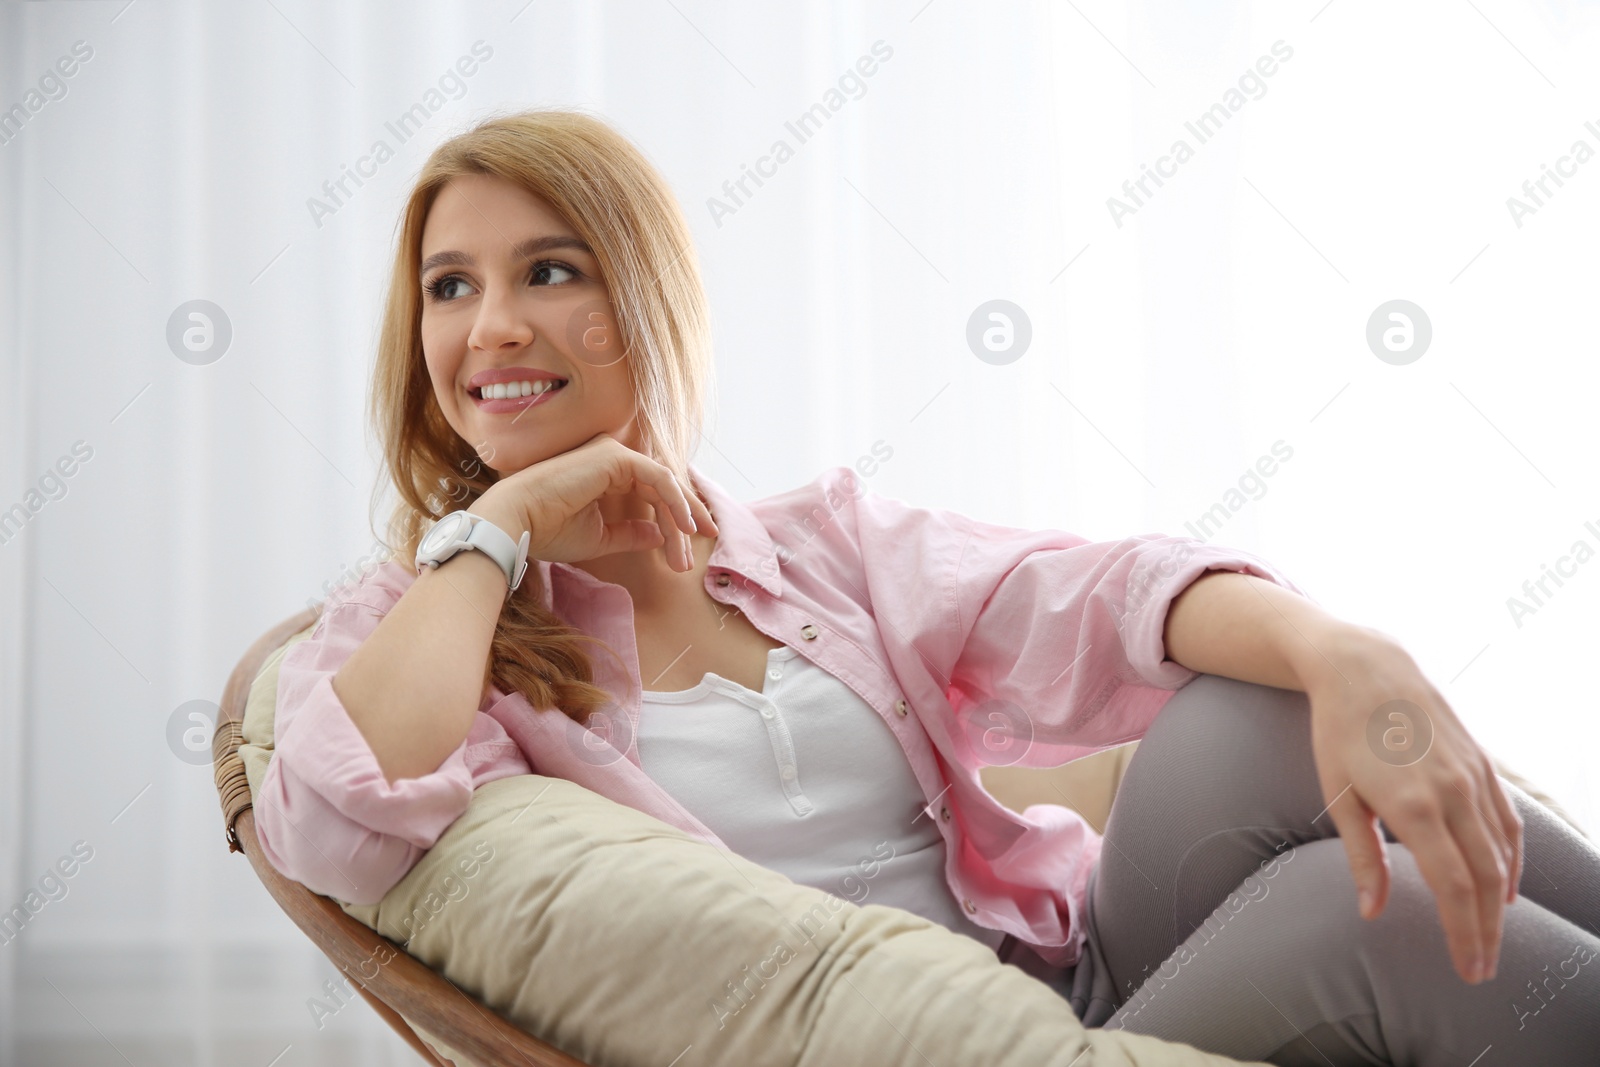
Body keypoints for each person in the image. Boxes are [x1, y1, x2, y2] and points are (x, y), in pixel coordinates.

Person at [256, 107, 1600, 1065]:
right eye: (449, 287)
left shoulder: (817, 542)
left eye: (549, 271)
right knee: (1351, 915)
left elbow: (1098, 595)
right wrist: (499, 526)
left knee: (1256, 708)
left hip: (1081, 980)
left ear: (649, 301)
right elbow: (333, 826)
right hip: (954, 1051)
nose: (489, 324)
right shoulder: (422, 622)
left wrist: (1341, 652)